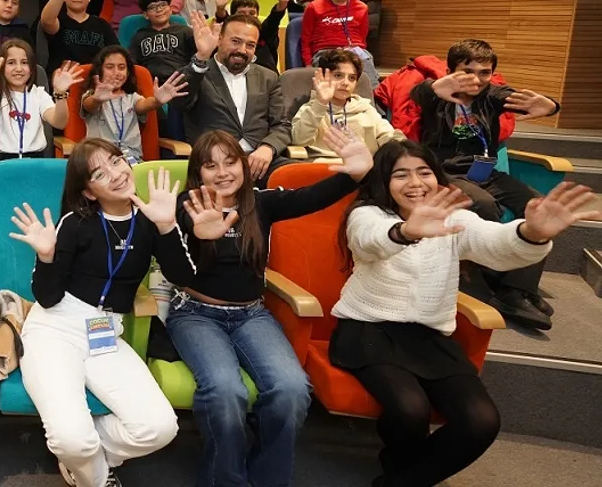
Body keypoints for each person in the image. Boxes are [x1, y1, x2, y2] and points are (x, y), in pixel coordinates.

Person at [331, 141, 598, 487]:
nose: (415, 183)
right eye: (401, 175)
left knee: (481, 422)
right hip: (369, 331)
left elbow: (494, 242)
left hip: (429, 338)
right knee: (410, 410)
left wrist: (530, 233)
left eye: (424, 172)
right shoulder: (367, 214)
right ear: (384, 181)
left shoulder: (454, 219)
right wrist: (406, 231)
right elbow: (370, 241)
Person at [164, 127, 372, 487]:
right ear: (198, 172)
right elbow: (172, 252)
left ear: (244, 166)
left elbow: (312, 197)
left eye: (231, 162)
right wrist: (191, 232)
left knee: (292, 390)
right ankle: (225, 481)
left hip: (251, 314)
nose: (222, 172)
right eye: (211, 166)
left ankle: (267, 479)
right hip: (196, 313)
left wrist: (355, 175)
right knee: (225, 391)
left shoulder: (260, 203)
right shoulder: (187, 206)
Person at [9, 139, 182, 487]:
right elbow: (47, 298)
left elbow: (182, 276)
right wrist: (46, 257)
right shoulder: (75, 223)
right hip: (55, 329)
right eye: (100, 174)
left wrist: (167, 227)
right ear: (88, 192)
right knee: (72, 440)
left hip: (106, 332)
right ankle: (96, 476)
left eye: (117, 162)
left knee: (160, 427)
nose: (116, 175)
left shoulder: (149, 219)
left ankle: (84, 459)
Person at [411, 39, 562, 330]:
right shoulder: (438, 93)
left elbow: (516, 98)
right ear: (451, 71)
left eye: (485, 72)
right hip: (445, 173)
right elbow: (419, 94)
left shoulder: (491, 95)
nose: (477, 80)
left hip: (484, 172)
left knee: (542, 208)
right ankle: (485, 278)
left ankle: (516, 289)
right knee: (483, 204)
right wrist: (435, 87)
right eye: (468, 71)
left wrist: (552, 106)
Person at [173, 14, 293, 187]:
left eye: (250, 45)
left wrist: (268, 148)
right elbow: (179, 103)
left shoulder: (268, 77)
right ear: (219, 39)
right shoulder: (199, 72)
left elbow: (282, 125)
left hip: (259, 162)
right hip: (215, 164)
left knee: (308, 178)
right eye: (236, 41)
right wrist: (201, 57)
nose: (242, 50)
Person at [0, 41, 82, 165]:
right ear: (1, 67)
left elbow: (59, 123)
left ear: (32, 69)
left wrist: (60, 94)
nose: (19, 69)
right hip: (1, 162)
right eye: (11, 63)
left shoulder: (39, 94)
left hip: (35, 161)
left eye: (24, 63)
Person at [81, 46, 187, 164]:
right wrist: (97, 99)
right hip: (101, 160)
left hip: (132, 161)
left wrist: (158, 101)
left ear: (128, 72)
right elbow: (89, 105)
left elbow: (144, 104)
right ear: (100, 70)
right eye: (110, 67)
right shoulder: (93, 96)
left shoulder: (132, 97)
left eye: (121, 68)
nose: (116, 72)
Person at [293, 49, 404, 156]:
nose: (346, 83)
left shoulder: (365, 109)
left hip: (363, 166)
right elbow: (299, 141)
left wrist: (403, 147)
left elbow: (389, 135)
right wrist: (321, 103)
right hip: (324, 165)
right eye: (338, 75)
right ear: (324, 78)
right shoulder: (311, 108)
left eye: (351, 78)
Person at [300, 0, 377, 81]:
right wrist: (308, 64)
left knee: (366, 70)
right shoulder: (314, 7)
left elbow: (362, 38)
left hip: (354, 51)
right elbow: (305, 40)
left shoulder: (362, 8)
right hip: (326, 52)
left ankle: (372, 93)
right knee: (339, 70)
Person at [40, 0, 118, 71]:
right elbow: (46, 21)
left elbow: (117, 54)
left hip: (95, 77)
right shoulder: (59, 21)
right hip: (64, 77)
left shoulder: (102, 25)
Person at [215, 0, 294, 74]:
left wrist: (282, 3)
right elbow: (224, 20)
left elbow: (274, 20)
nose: (247, 17)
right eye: (241, 13)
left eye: (252, 13)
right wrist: (220, 8)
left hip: (264, 79)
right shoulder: (228, 32)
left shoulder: (265, 33)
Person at [129, 0, 194, 85]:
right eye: (152, 7)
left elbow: (199, 58)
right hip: (152, 84)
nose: (159, 9)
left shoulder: (184, 31)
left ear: (170, 8)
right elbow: (132, 65)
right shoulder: (139, 36)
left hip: (182, 81)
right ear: (145, 14)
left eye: (163, 5)